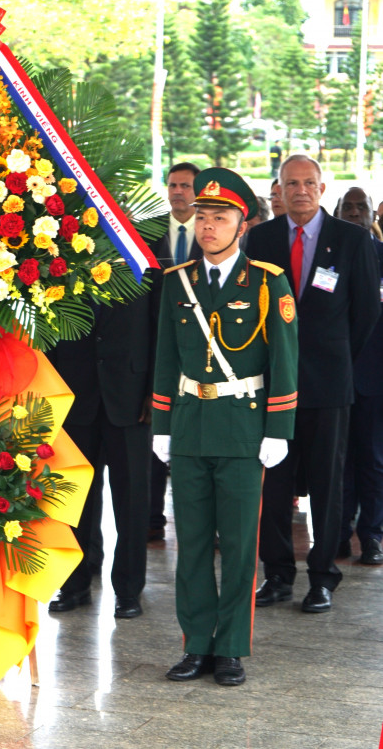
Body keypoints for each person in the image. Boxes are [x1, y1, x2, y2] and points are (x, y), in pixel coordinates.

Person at [153, 168, 297, 686]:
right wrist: (163, 424)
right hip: (190, 427)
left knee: (238, 544)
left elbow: (284, 358)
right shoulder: (177, 282)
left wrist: (278, 427)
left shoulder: (266, 280)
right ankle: (196, 645)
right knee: (190, 543)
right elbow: (166, 359)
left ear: (245, 224)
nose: (208, 227)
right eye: (203, 217)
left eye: (221, 218)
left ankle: (230, 646)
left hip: (242, 428)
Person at [247, 155, 381, 613]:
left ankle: (323, 577)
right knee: (274, 484)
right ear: (278, 191)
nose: (300, 190)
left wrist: (334, 357)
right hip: (272, 388)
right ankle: (278, 575)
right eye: (291, 184)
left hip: (329, 386)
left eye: (309, 183)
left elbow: (365, 315)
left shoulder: (352, 240)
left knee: (328, 484)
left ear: (322, 189)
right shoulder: (260, 239)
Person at [47, 290, 157, 618]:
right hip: (75, 389)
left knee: (133, 498)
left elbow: (156, 320)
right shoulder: (60, 241)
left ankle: (128, 589)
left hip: (131, 392)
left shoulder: (146, 241)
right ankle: (74, 584)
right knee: (75, 496)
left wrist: (154, 390)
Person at [150, 162, 203, 541]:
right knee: (157, 435)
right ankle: (153, 517)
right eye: (173, 185)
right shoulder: (149, 234)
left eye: (186, 186)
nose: (178, 192)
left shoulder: (214, 232)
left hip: (204, 352)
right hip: (157, 347)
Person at [338, 195, 383, 566]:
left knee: (372, 460)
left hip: (375, 377)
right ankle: (337, 534)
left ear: (372, 214)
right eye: (347, 208)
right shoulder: (329, 255)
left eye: (360, 208)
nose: (354, 213)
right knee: (338, 461)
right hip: (334, 377)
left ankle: (372, 536)